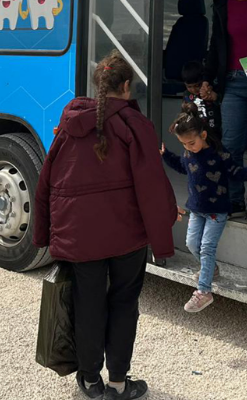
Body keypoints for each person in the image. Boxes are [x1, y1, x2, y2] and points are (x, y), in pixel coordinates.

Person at [34, 50, 178, 400]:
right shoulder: (134, 125)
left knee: (88, 304)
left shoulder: (69, 124)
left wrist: (41, 233)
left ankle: (90, 381)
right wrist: (162, 240)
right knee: (124, 302)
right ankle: (117, 383)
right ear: (126, 86)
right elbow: (152, 187)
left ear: (98, 85)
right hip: (126, 236)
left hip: (81, 237)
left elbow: (47, 181)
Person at [161, 104, 247, 312]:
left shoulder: (219, 155)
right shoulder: (188, 155)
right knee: (192, 243)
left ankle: (204, 291)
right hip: (196, 209)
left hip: (217, 211)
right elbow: (181, 166)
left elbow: (235, 173)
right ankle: (211, 271)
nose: (188, 147)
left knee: (206, 248)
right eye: (184, 144)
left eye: (191, 143)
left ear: (203, 135)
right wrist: (166, 155)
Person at [202, 0, 247, 219]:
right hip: (234, 81)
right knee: (231, 144)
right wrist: (207, 79)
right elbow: (216, 46)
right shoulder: (222, 3)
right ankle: (235, 199)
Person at [180, 61, 221, 142]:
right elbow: (184, 113)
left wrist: (215, 98)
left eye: (197, 85)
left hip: (214, 132)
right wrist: (177, 124)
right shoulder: (187, 95)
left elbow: (221, 105)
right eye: (189, 86)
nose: (194, 89)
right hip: (195, 133)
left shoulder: (210, 91)